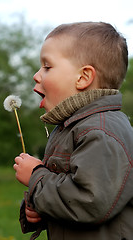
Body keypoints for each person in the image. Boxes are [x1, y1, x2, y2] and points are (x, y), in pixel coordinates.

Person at [13, 22, 133, 240]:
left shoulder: (101, 132)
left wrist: (36, 176)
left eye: (47, 67)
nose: (36, 75)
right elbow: (66, 196)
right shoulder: (72, 127)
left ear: (83, 78)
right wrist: (38, 208)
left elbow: (89, 201)